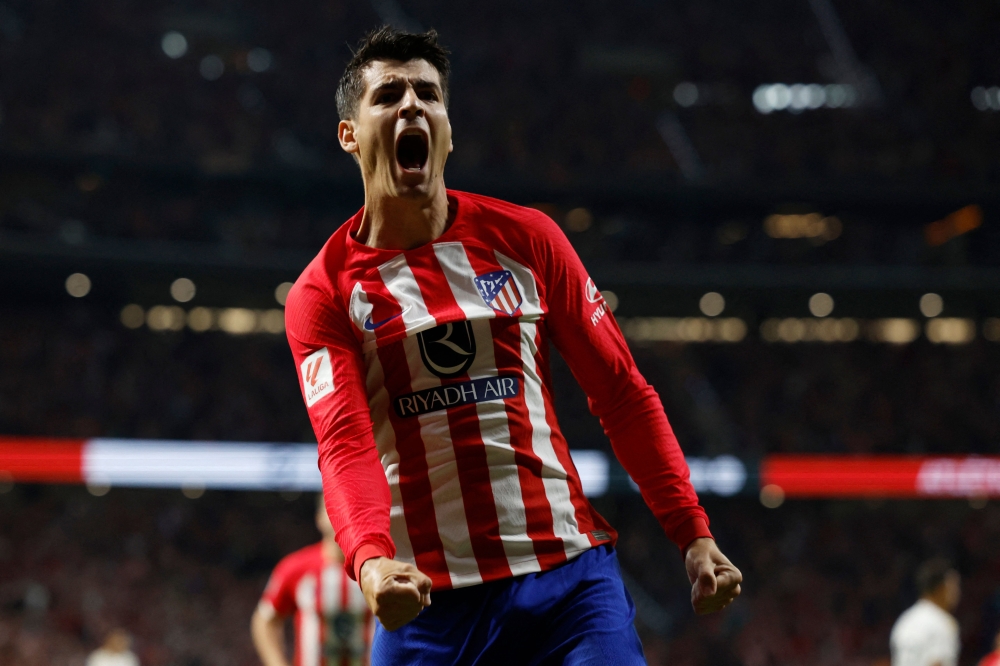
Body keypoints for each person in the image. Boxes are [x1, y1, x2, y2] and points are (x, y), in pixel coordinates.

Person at [284, 25, 742, 664]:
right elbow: (345, 444)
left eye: (428, 93)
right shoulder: (323, 292)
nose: (413, 104)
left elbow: (621, 391)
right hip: (426, 604)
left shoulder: (528, 240)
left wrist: (692, 533)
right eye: (389, 94)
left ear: (448, 131)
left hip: (567, 584)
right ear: (350, 135)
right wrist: (370, 562)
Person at [252, 495, 373, 666]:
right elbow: (264, 620)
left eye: (351, 509)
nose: (343, 516)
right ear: (319, 518)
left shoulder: (375, 569)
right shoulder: (295, 568)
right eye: (334, 508)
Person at [890, 558, 961, 666]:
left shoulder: (904, 620)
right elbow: (937, 663)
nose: (957, 592)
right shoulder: (942, 622)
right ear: (941, 588)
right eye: (953, 586)